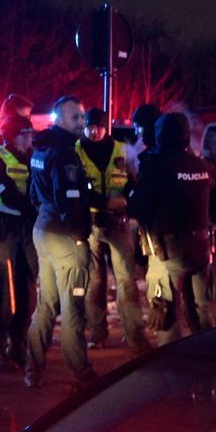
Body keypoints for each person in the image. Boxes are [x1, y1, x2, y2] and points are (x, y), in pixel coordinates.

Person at [127, 112, 216, 345]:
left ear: (160, 136)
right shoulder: (202, 166)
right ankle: (211, 359)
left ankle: (171, 370)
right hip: (201, 249)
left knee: (165, 311)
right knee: (201, 309)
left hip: (168, 251)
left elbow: (138, 207)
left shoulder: (157, 167)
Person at [27, 96, 97, 390]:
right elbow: (69, 199)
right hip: (64, 234)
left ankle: (33, 367)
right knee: (73, 305)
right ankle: (81, 371)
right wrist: (80, 235)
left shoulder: (41, 148)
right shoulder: (65, 153)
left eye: (82, 117)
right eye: (74, 118)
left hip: (43, 227)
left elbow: (34, 194)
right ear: (58, 119)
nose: (81, 122)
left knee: (47, 302)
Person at [77, 109, 153, 353]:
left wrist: (128, 203)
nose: (94, 131)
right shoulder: (76, 151)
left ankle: (134, 335)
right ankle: (97, 333)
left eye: (98, 127)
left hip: (118, 224)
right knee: (94, 282)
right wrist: (104, 202)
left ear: (106, 127)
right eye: (90, 127)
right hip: (90, 224)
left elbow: (136, 182)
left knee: (126, 281)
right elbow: (76, 188)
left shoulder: (122, 150)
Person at [0, 115, 38, 371]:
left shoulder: (33, 156)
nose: (29, 138)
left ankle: (19, 344)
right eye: (24, 134)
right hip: (3, 231)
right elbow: (4, 190)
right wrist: (31, 208)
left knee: (26, 291)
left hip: (26, 231)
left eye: (30, 134)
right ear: (12, 135)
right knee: (3, 292)